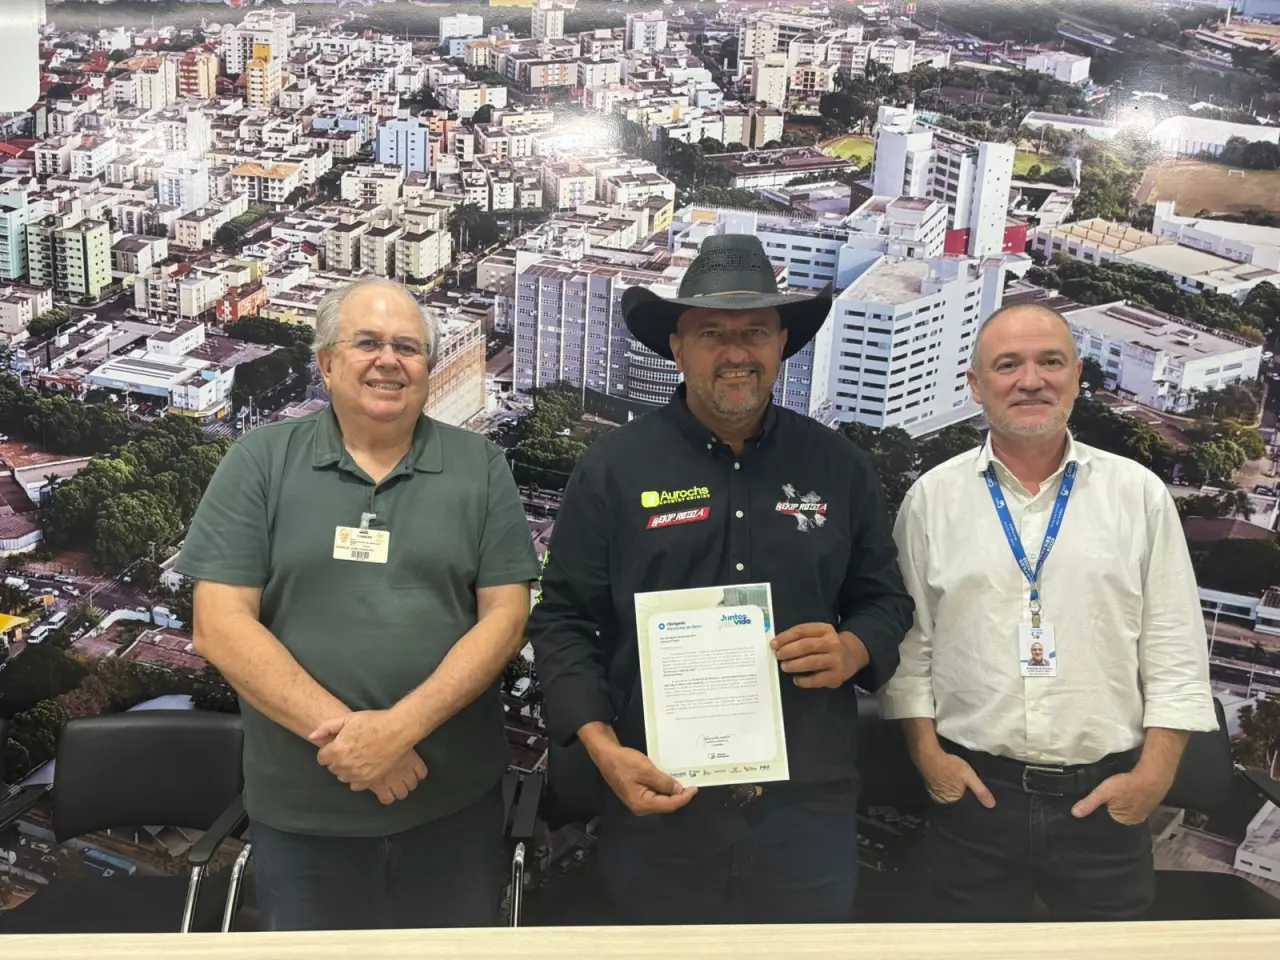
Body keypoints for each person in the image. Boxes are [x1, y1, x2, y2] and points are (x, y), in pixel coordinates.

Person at [527, 234, 914, 925]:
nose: (737, 353)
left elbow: (883, 600)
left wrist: (854, 648)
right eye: (713, 334)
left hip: (806, 810)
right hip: (657, 804)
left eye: (755, 333)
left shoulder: (839, 467)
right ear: (677, 347)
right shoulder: (614, 471)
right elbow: (563, 622)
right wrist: (601, 749)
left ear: (781, 345)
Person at [177, 276, 542, 931]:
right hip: (304, 813)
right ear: (326, 363)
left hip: (453, 809)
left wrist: (398, 729)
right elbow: (219, 626)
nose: (388, 360)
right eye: (367, 342)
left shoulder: (479, 465)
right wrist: (358, 744)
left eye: (408, 347)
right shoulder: (259, 462)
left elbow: (508, 619)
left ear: (428, 370)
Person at [882, 302, 1217, 923]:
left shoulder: (1137, 494)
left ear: (1077, 376)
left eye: (1050, 362)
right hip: (974, 798)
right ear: (976, 386)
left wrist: (1152, 780)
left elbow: (1175, 649)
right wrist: (929, 757)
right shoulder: (931, 499)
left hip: (1107, 803)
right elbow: (912, 648)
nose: (1031, 380)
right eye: (1008, 365)